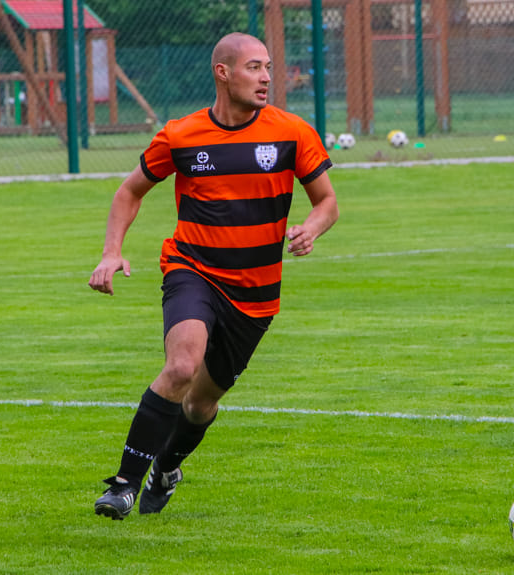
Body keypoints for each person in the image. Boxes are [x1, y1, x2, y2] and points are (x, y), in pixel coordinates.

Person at [88, 32, 339, 520]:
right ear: (222, 73)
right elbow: (129, 191)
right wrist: (111, 252)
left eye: (268, 67)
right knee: (182, 366)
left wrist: (312, 227)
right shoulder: (182, 135)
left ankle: (167, 468)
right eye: (253, 67)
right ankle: (123, 485)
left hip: (257, 295)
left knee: (201, 404)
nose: (266, 77)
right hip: (193, 269)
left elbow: (327, 201)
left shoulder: (291, 132)